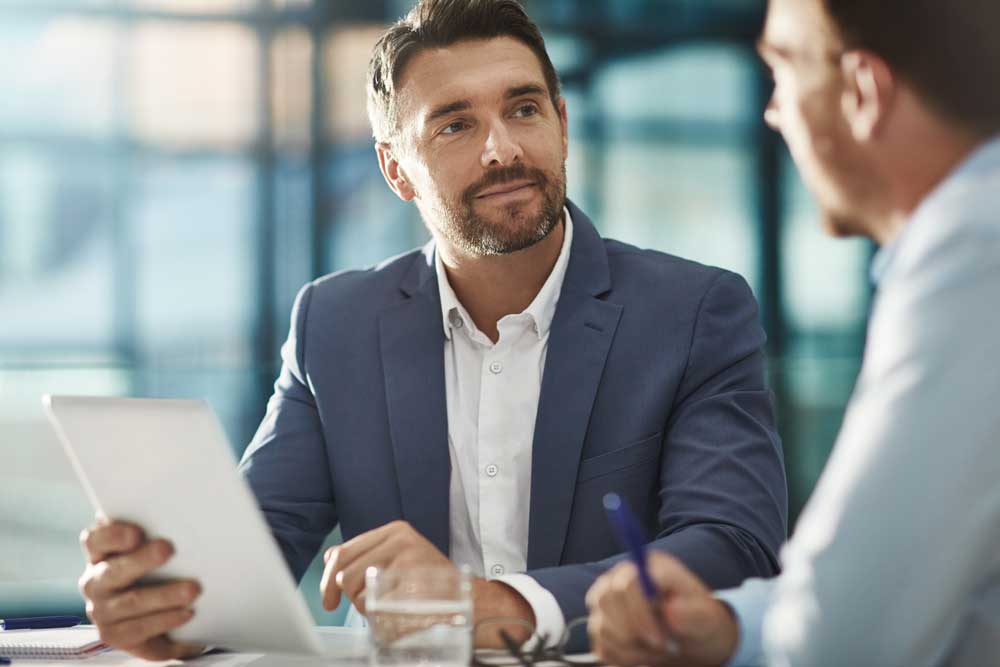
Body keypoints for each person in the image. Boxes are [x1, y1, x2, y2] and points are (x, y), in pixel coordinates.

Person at [74, 0, 789, 660]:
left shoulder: (694, 310)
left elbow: (733, 544)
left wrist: (492, 605)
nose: (502, 149)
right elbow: (255, 549)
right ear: (395, 170)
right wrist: (168, 598)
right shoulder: (335, 322)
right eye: (455, 124)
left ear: (562, 124)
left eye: (524, 109)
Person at [585, 0, 1000, 665]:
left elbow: (843, 637)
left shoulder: (973, 250)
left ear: (864, 90)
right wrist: (726, 624)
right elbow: (898, 586)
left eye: (783, 68)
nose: (772, 113)